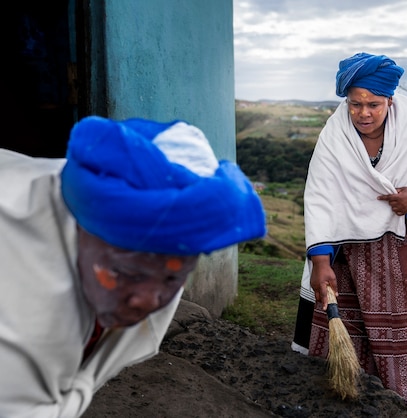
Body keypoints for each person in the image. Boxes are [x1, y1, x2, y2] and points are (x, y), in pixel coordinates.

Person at [0, 116, 266, 417]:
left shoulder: (162, 239)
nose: (149, 301)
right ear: (80, 230)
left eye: (172, 277)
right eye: (127, 273)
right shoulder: (25, 322)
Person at [291, 52, 407, 404]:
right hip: (349, 251)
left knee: (402, 325)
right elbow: (320, 193)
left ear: (390, 100)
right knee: (350, 324)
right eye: (355, 104)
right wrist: (321, 262)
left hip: (399, 247)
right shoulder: (335, 135)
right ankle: (351, 386)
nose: (363, 113)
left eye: (373, 104)